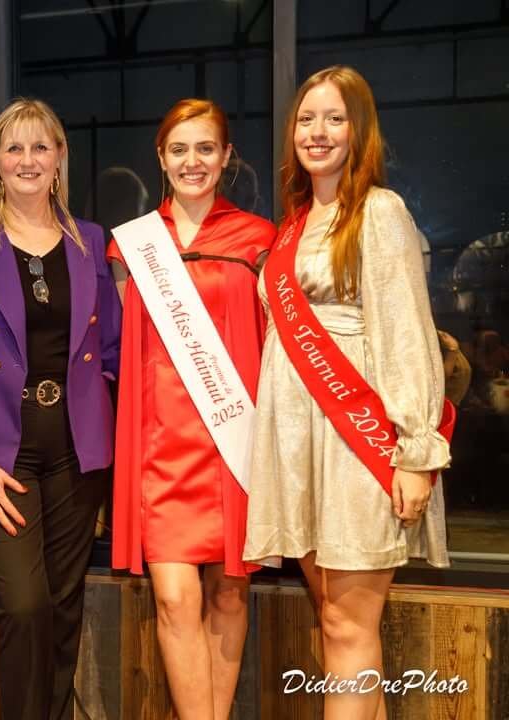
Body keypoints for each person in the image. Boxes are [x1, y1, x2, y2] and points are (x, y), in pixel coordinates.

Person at [243, 65, 452, 720]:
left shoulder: (380, 213)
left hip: (357, 447)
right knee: (334, 623)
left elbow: (408, 336)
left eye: (334, 118)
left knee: (350, 628)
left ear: (358, 131)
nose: (318, 131)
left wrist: (416, 452)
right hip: (300, 451)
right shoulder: (297, 224)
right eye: (306, 119)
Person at [0, 98, 121, 720]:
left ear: (60, 158)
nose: (28, 160)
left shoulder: (91, 241)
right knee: (24, 604)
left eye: (42, 147)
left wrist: (104, 419)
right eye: (15, 148)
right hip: (0, 455)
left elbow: (110, 348)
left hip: (76, 450)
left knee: (63, 607)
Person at [109, 98, 276, 720]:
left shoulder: (260, 240)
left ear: (226, 156)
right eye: (179, 149)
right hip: (160, 445)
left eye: (206, 148)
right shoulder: (131, 247)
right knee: (176, 600)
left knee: (230, 595)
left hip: (233, 442)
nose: (192, 161)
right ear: (161, 157)